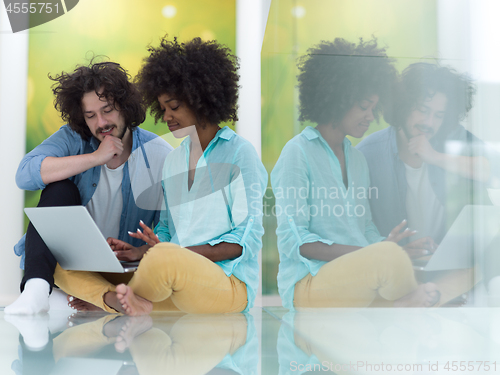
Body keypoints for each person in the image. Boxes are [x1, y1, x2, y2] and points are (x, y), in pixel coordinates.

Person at [54, 36, 267, 316]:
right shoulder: (174, 160)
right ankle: (116, 299)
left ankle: (110, 300)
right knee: (62, 261)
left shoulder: (240, 154)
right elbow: (166, 231)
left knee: (165, 258)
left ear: (200, 98)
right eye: (163, 109)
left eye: (174, 107)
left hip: (227, 285)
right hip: (172, 283)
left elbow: (245, 240)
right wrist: (140, 252)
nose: (166, 117)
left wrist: (170, 255)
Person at [271, 38, 440, 310]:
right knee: (400, 277)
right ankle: (401, 306)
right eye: (364, 106)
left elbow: (365, 229)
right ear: (337, 100)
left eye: (374, 108)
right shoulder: (297, 153)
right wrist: (374, 254)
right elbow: (296, 242)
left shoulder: (358, 159)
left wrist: (391, 250)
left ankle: (400, 307)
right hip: (308, 284)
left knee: (400, 263)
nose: (370, 116)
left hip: (357, 277)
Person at [5, 61, 172, 315]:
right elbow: (24, 174)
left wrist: (144, 251)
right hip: (69, 266)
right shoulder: (74, 138)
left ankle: (102, 296)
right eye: (90, 115)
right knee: (59, 188)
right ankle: (36, 289)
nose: (101, 122)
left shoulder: (158, 154)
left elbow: (169, 231)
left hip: (123, 274)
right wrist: (96, 158)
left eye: (107, 110)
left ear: (125, 107)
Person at [357, 63, 494, 302]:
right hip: (395, 277)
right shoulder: (368, 154)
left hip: (452, 276)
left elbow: (493, 167)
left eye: (439, 115)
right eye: (423, 110)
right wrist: (395, 251)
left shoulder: (449, 140)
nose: (430, 122)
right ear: (404, 105)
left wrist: (436, 157)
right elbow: (355, 232)